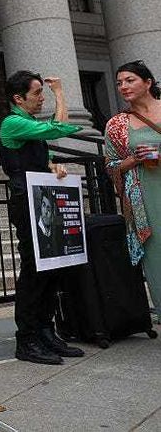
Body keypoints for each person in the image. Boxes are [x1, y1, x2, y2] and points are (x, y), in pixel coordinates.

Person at [0, 70, 85, 364]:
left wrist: (52, 166)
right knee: (34, 271)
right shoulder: (12, 122)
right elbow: (60, 127)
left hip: (41, 200)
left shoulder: (28, 125)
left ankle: (45, 332)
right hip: (26, 203)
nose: (41, 98)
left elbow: (35, 157)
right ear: (18, 98)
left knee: (50, 269)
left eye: (43, 93)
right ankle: (27, 339)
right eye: (37, 94)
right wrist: (61, 93)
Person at [104, 60, 161, 319]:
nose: (123, 86)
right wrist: (132, 160)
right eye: (119, 83)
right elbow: (111, 165)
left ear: (148, 82)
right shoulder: (116, 124)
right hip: (145, 200)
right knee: (157, 257)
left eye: (130, 80)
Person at [35, 189, 63, 259]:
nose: (45, 212)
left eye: (49, 208)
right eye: (43, 205)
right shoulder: (36, 230)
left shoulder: (56, 231)